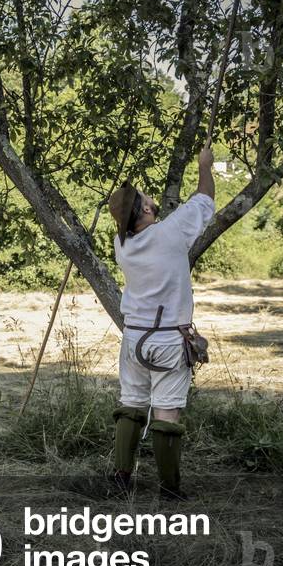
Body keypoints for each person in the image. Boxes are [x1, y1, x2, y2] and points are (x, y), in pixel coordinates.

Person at [107, 146, 215, 500]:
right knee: (167, 410)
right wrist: (203, 166)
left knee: (132, 402)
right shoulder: (170, 234)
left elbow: (137, 221)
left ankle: (122, 476)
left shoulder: (121, 243)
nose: (151, 200)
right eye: (145, 198)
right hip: (168, 339)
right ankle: (169, 489)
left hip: (134, 338)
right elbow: (204, 200)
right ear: (147, 210)